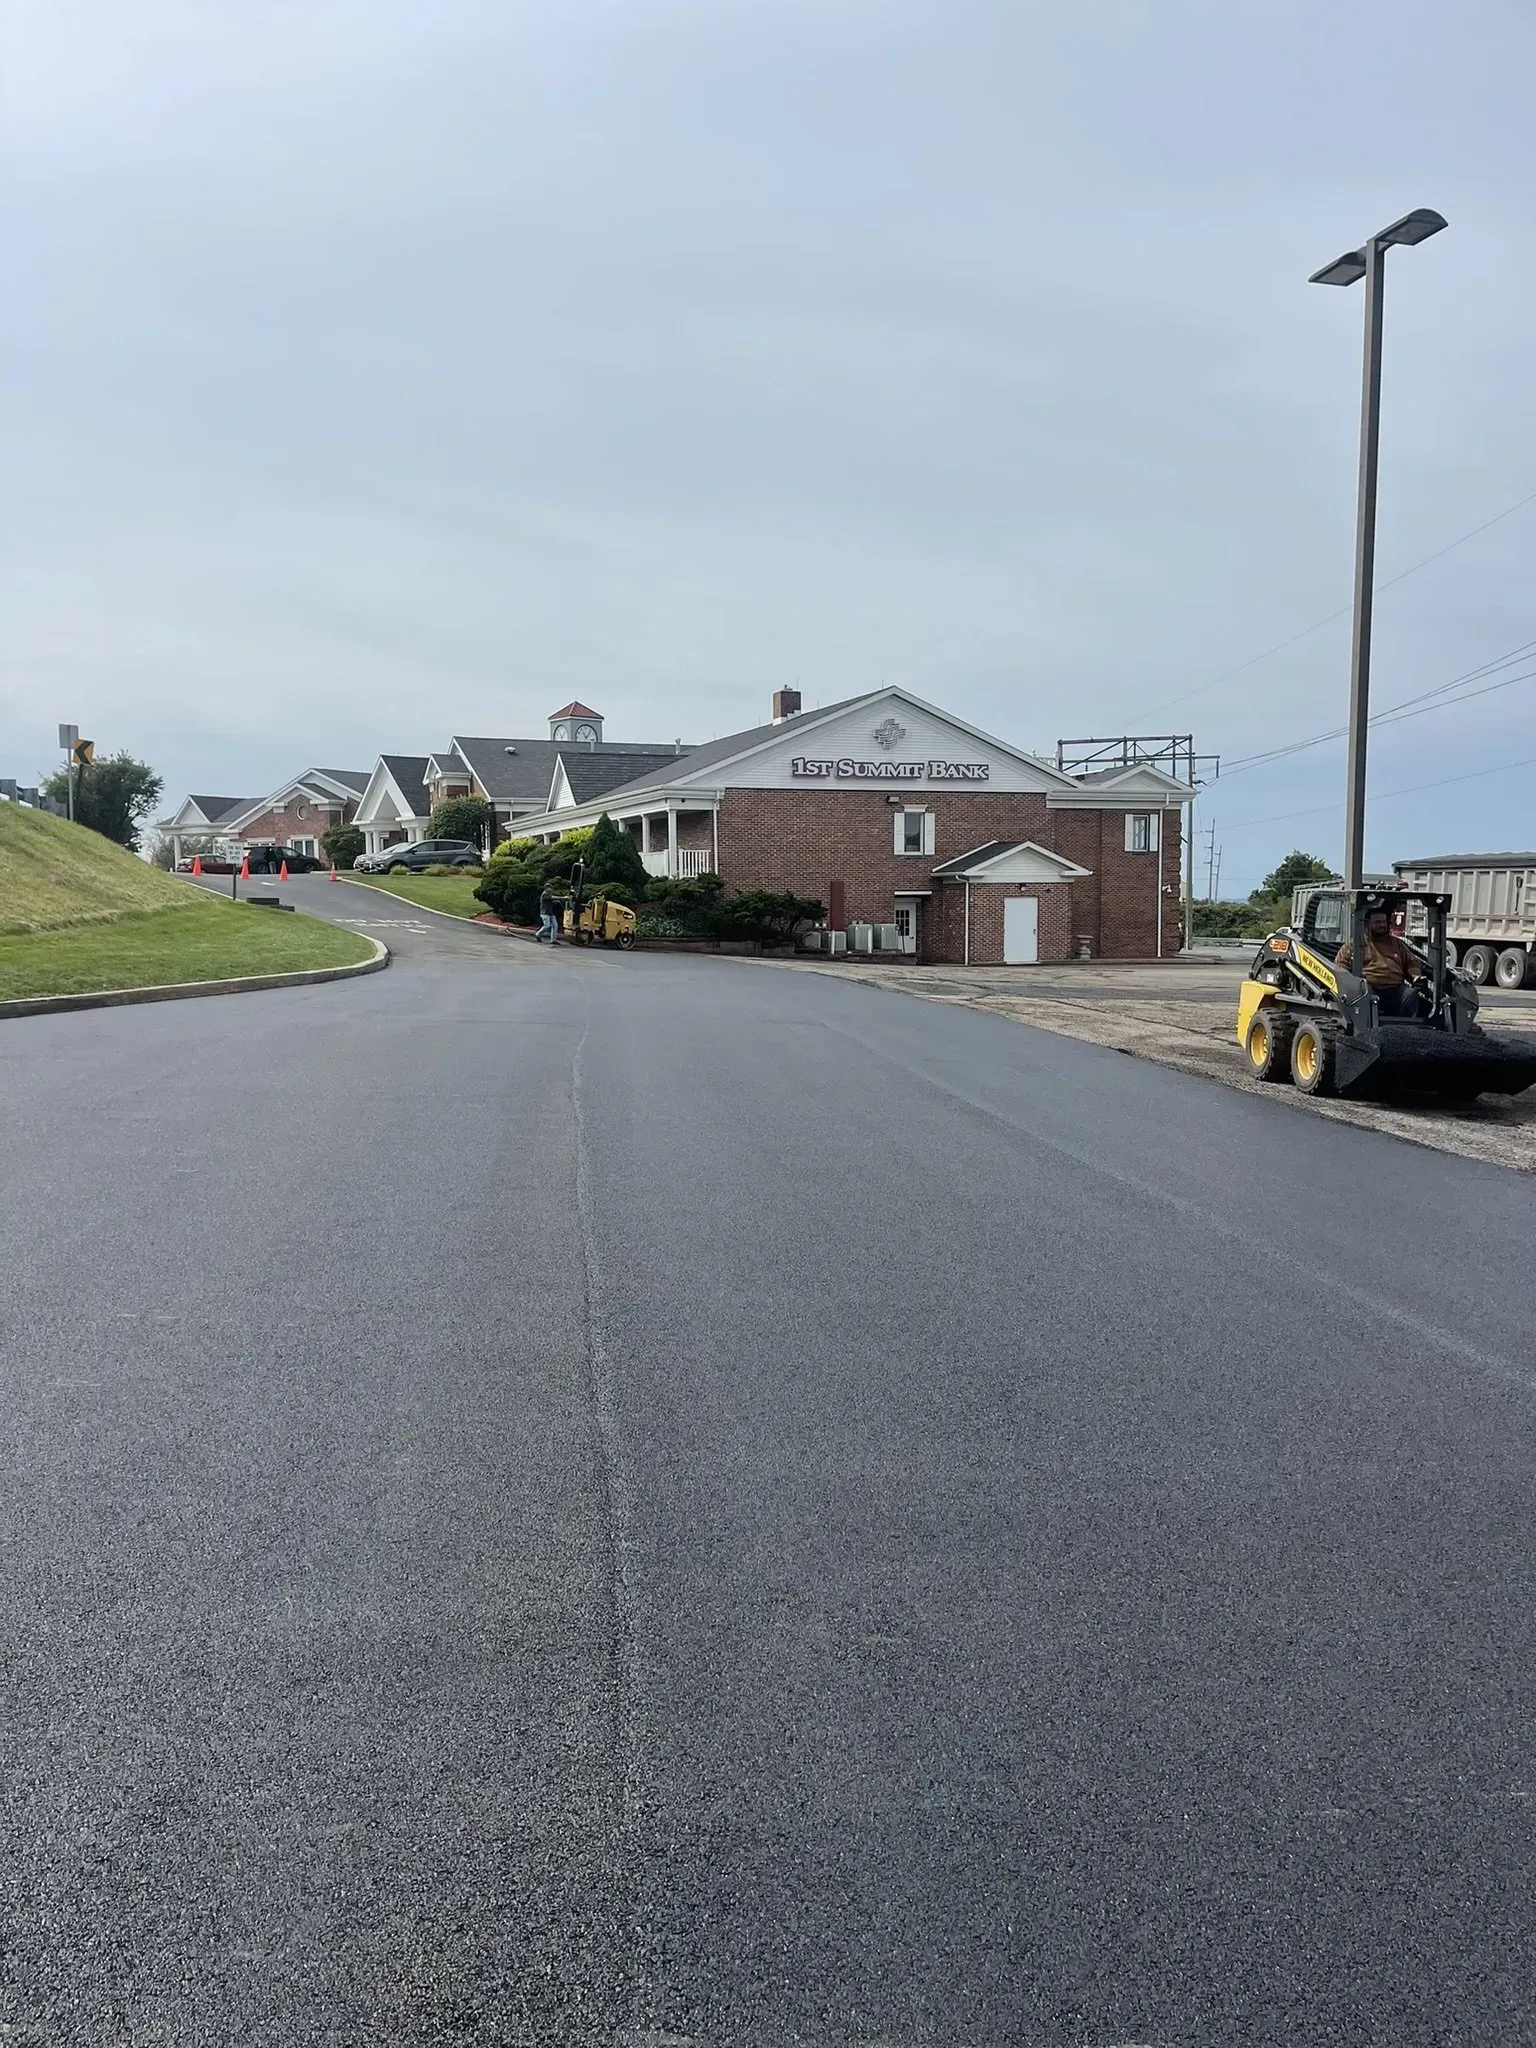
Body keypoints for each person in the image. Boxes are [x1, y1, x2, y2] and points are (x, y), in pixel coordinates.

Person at [1335, 906, 1424, 1018]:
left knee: (1410, 995)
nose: (1382, 925)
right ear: (1368, 924)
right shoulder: (1355, 944)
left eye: (1383, 922)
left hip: (1395, 988)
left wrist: (1415, 976)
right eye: (1377, 922)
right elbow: (1341, 965)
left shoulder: (1397, 944)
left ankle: (1408, 1027)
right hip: (1369, 988)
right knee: (1363, 995)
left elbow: (1411, 963)